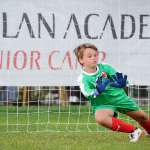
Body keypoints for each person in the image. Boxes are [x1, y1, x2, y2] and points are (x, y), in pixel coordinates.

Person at [74, 43, 150, 142]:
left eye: (95, 55)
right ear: (81, 60)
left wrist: (121, 83)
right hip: (103, 104)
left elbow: (120, 78)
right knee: (100, 118)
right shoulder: (83, 78)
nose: (94, 58)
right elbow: (87, 93)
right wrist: (97, 91)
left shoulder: (105, 67)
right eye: (89, 56)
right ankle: (134, 131)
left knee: (142, 117)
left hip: (119, 98)